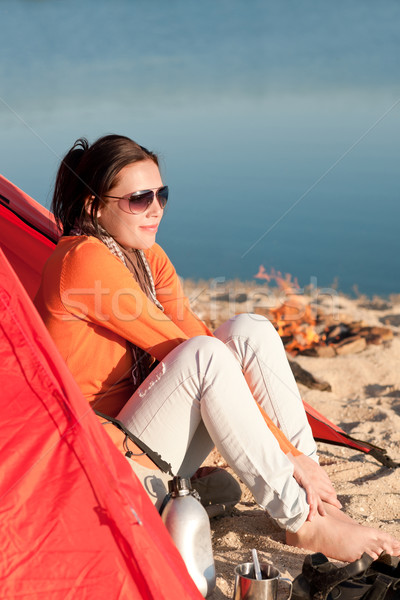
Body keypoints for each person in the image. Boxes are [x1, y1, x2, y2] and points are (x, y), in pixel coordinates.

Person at [35, 134, 400, 563]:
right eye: (138, 199)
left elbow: (202, 336)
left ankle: (315, 502)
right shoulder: (83, 261)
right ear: (94, 206)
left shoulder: (146, 257)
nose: (155, 209)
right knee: (205, 356)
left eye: (161, 194)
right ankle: (304, 517)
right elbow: (196, 354)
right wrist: (285, 449)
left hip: (145, 438)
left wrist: (298, 456)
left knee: (249, 330)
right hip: (101, 461)